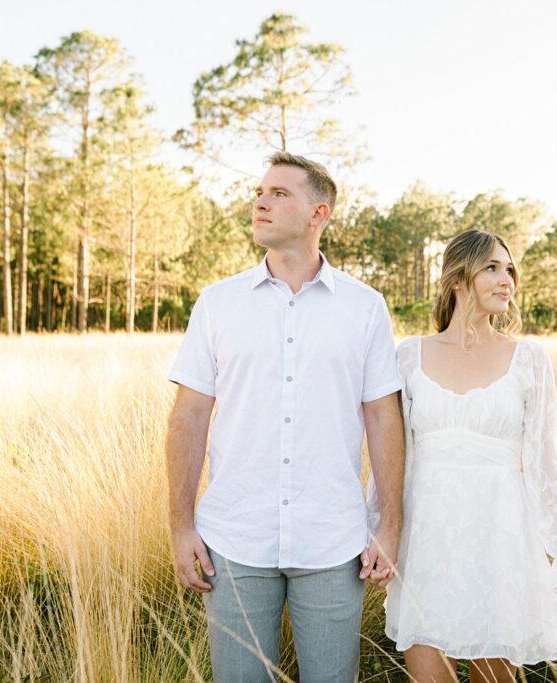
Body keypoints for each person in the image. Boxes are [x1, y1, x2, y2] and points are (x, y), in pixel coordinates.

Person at [164, 151, 405, 682]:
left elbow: (385, 419)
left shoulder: (365, 308)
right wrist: (181, 527)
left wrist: (389, 524)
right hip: (234, 537)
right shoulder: (217, 303)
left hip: (332, 540)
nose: (260, 202)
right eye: (259, 192)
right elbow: (189, 417)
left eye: (279, 194)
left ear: (319, 214)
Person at [381, 229, 557, 682]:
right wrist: (380, 532)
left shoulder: (529, 359)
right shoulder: (409, 357)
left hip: (501, 539)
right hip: (426, 542)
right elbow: (392, 458)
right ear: (458, 278)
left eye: (509, 269)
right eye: (492, 268)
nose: (507, 280)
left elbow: (548, 466)